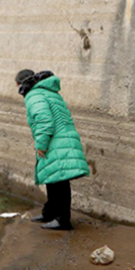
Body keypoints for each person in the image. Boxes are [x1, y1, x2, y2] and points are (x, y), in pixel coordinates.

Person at [15, 68, 90, 230]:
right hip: (62, 138)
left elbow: (44, 120)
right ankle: (49, 213)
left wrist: (41, 144)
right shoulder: (47, 91)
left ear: (19, 84)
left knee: (60, 181)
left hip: (56, 140)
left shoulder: (33, 95)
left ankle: (62, 220)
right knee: (53, 178)